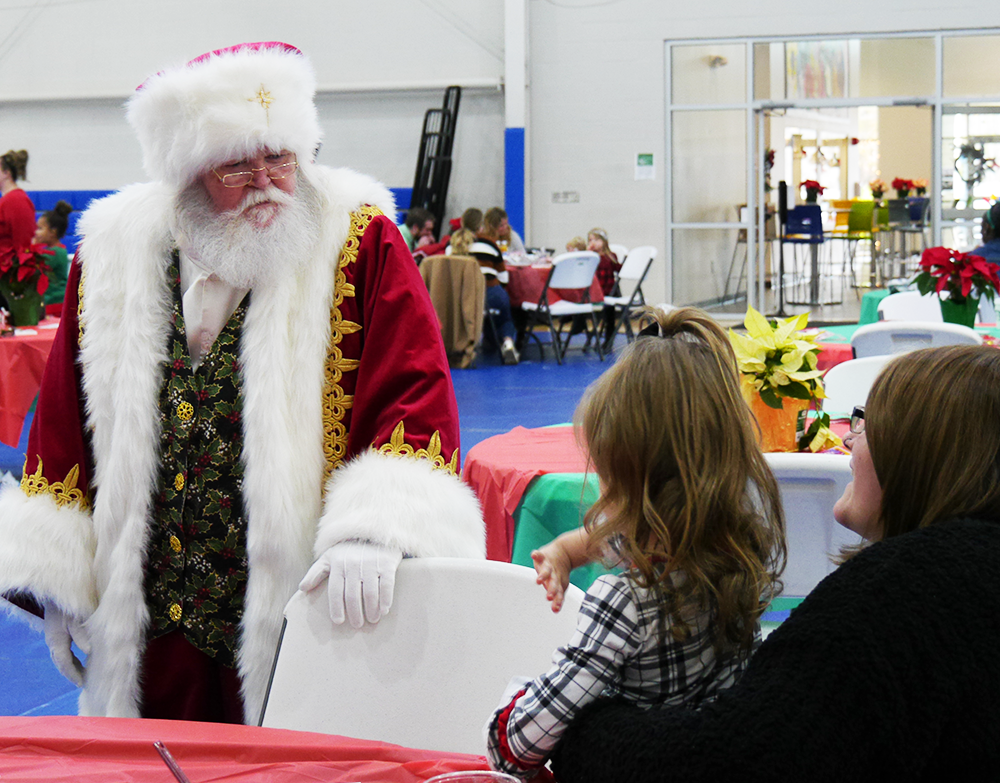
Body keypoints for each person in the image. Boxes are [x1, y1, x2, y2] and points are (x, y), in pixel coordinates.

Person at [0, 42, 484, 725]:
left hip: (301, 613)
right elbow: (62, 413)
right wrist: (58, 573)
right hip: (150, 628)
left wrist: (379, 525)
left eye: (280, 158)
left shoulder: (359, 240)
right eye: (238, 164)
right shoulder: (113, 255)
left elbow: (414, 383)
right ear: (190, 172)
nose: (266, 182)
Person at [553, 344, 1000, 782]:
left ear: (918, 455)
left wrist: (578, 728)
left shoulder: (903, 591)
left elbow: (729, 762)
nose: (847, 437)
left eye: (865, 426)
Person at [485, 307, 786, 780]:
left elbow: (518, 746)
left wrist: (509, 704)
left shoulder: (626, 601)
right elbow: (612, 539)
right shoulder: (738, 550)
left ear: (631, 483)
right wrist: (567, 550)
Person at [469, 233, 519, 365]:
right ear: (480, 228)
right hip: (492, 291)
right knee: (505, 318)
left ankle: (464, 348)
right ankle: (508, 344)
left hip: (466, 298)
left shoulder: (451, 246)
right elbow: (504, 279)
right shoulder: (490, 245)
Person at [33, 200, 73, 306]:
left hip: (55, 301)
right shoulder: (54, 250)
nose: (36, 232)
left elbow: (33, 267)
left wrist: (33, 246)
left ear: (53, 232)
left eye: (40, 228)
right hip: (51, 300)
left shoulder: (55, 252)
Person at [0, 150, 35, 257]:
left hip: (9, 269)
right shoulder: (8, 200)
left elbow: (23, 245)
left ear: (6, 173)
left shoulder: (16, 201)